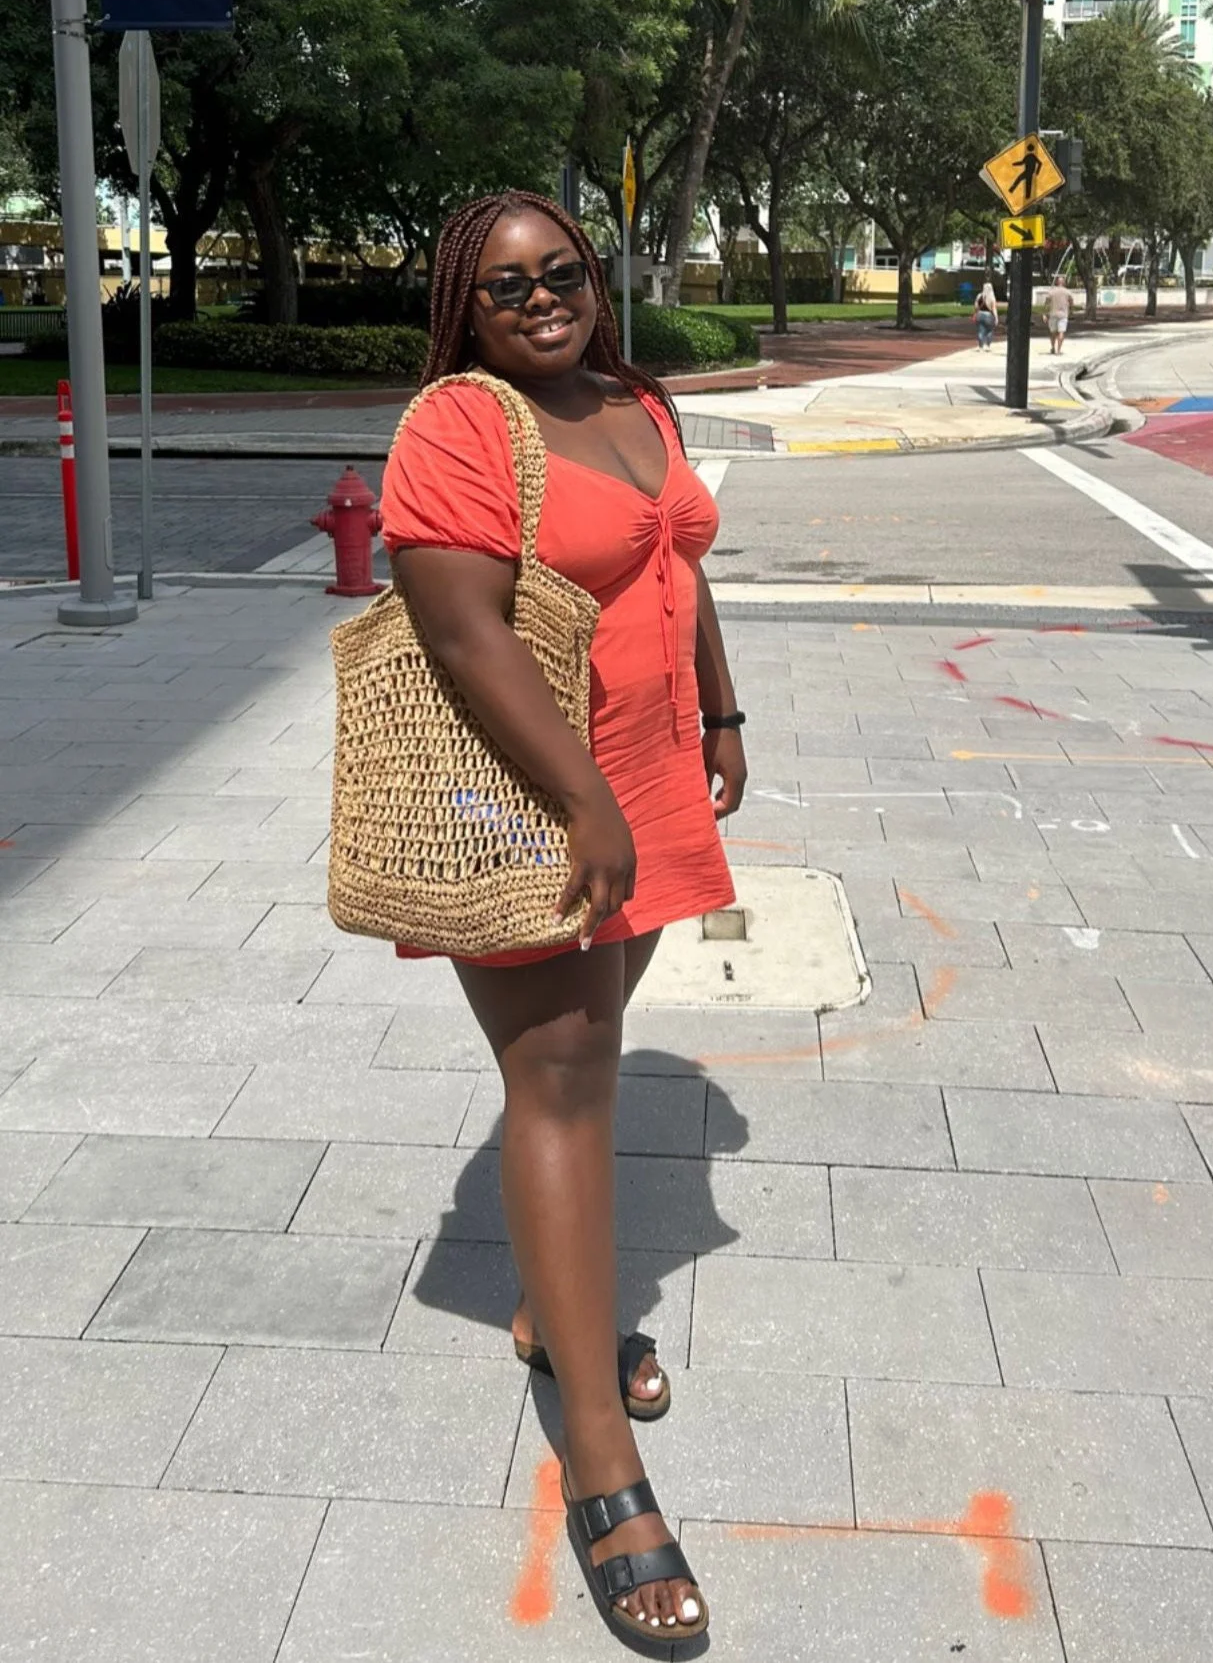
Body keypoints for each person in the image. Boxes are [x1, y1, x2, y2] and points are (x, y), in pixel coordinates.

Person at [378, 190, 746, 1650]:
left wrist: (718, 700)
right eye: (507, 285)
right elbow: (462, 631)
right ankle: (601, 1454)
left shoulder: (631, 394)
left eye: (564, 272)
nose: (543, 299)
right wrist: (586, 800)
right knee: (558, 1072)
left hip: (650, 772)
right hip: (531, 795)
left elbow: (677, 553)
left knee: (596, 1049)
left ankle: (555, 1313)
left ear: (599, 277)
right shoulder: (459, 427)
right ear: (464, 309)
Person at [1042, 274, 1073, 355]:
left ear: (1057, 282)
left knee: (1053, 332)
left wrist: (1044, 314)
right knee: (1061, 332)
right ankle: (1058, 350)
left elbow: (1046, 303)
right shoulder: (1067, 292)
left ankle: (1053, 347)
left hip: (1053, 314)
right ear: (1064, 283)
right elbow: (1071, 301)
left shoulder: (1051, 291)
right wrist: (1071, 309)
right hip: (1063, 315)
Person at [973, 277, 998, 350]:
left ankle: (981, 346)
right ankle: (987, 346)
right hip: (988, 315)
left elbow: (976, 306)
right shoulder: (992, 297)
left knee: (981, 331)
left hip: (980, 314)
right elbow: (994, 309)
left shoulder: (979, 296)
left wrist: (976, 313)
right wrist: (996, 318)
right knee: (989, 330)